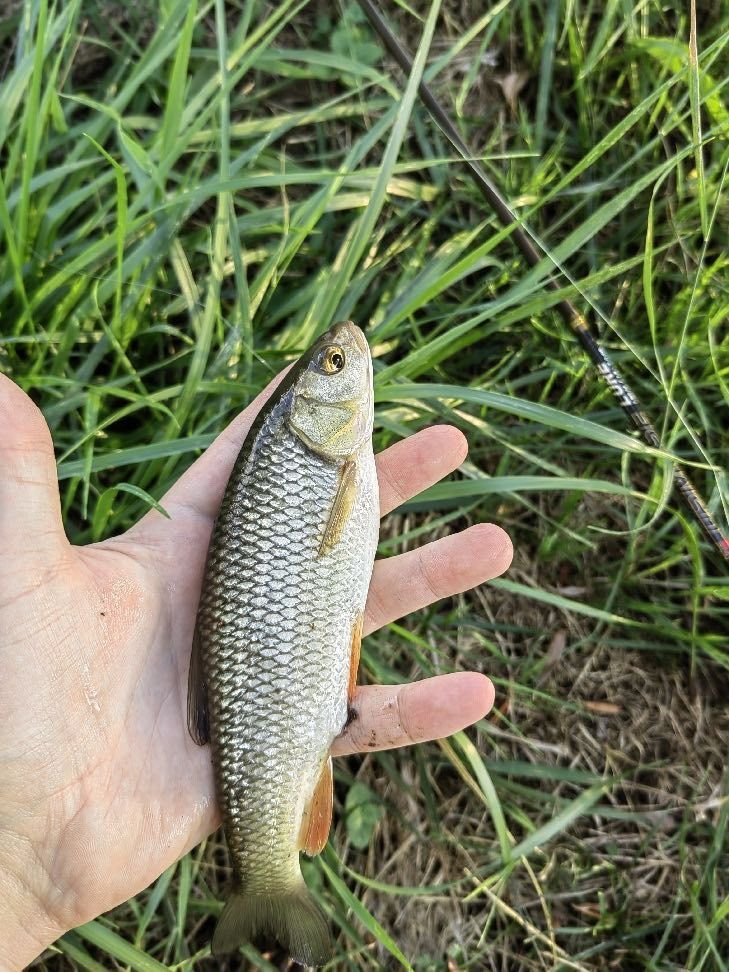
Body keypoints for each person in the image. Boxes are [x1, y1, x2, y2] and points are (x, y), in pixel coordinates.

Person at [0, 369, 512, 967]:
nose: (348, 365)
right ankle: (267, 879)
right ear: (309, 409)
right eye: (333, 368)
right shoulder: (308, 453)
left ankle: (269, 875)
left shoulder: (318, 455)